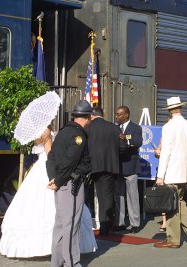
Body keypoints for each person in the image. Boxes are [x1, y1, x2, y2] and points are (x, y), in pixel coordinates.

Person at [0, 127, 97, 258]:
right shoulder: (48, 133)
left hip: (42, 168)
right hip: (47, 168)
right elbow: (51, 154)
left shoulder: (40, 133)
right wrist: (49, 139)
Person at [46, 100, 93, 267]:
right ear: (87, 117)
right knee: (71, 224)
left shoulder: (63, 132)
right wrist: (58, 180)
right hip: (71, 184)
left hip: (61, 183)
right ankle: (72, 262)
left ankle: (57, 262)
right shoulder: (78, 135)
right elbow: (70, 161)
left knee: (60, 224)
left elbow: (51, 157)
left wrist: (53, 178)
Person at [154, 96, 187, 249]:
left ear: (170, 110)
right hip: (185, 172)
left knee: (171, 205)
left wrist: (160, 175)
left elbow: (165, 152)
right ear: (181, 108)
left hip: (172, 171)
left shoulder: (168, 127)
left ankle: (172, 239)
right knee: (180, 202)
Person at [86, 106, 121, 236]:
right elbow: (122, 147)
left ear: (92, 116)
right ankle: (106, 224)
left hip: (91, 167)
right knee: (106, 196)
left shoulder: (88, 128)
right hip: (109, 166)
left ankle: (95, 223)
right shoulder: (114, 127)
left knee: (91, 196)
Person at [114, 106, 142, 233]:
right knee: (119, 196)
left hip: (131, 166)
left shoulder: (136, 128)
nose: (117, 117)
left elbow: (138, 142)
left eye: (119, 114)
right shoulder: (115, 128)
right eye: (116, 114)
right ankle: (119, 222)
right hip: (118, 167)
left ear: (126, 115)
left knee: (132, 197)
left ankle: (135, 223)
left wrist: (127, 139)